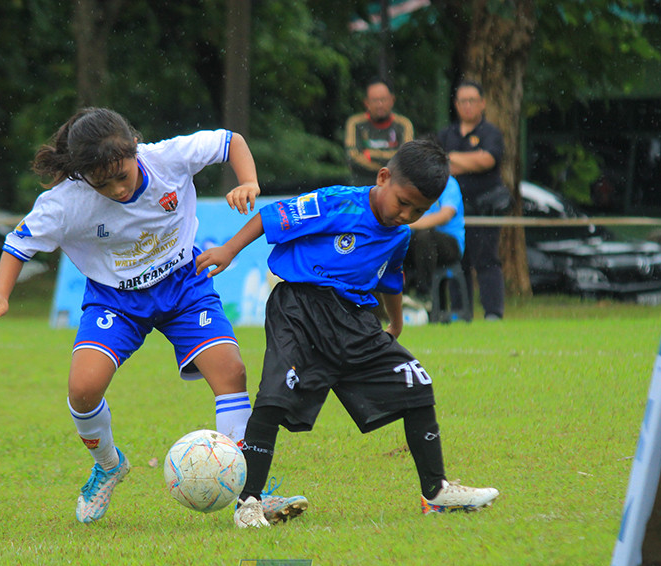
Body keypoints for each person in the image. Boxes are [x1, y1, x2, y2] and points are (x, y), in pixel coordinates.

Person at [0, 107, 300, 526]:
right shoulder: (65, 202)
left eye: (121, 176)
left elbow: (231, 141)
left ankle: (249, 496)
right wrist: (1, 295)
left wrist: (249, 181)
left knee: (230, 372)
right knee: (83, 389)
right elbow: (19, 244)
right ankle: (109, 465)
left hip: (185, 285)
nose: (115, 189)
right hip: (115, 301)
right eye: (101, 183)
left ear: (134, 150)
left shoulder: (168, 157)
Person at [196, 139, 500, 529]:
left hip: (355, 319)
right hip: (298, 308)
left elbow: (391, 279)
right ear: (383, 177)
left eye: (419, 210)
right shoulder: (338, 203)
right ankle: (249, 502)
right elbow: (270, 217)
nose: (406, 214)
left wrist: (396, 322)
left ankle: (436, 490)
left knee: (417, 384)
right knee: (273, 398)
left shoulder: (400, 235)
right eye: (403, 202)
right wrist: (229, 250)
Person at [438, 80, 511, 321]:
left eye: (472, 100)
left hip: (485, 206)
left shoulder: (490, 133)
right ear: (456, 105)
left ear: (482, 103)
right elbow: (439, 165)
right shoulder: (446, 134)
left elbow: (487, 160)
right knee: (458, 260)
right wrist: (467, 160)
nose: (467, 106)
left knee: (487, 260)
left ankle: (492, 313)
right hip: (453, 210)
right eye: (462, 101)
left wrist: (454, 159)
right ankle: (461, 312)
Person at [404, 173, 466, 308]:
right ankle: (399, 294)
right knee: (395, 241)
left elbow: (445, 215)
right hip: (417, 240)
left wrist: (409, 224)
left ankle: (423, 295)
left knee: (424, 236)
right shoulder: (413, 182)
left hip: (449, 243)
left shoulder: (448, 183)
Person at [344, 77, 415, 186]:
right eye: (375, 100)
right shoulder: (355, 123)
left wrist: (370, 154)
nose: (379, 105)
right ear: (366, 103)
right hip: (361, 188)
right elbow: (352, 158)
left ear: (392, 100)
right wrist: (389, 167)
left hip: (392, 188)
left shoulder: (404, 125)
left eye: (383, 99)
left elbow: (405, 158)